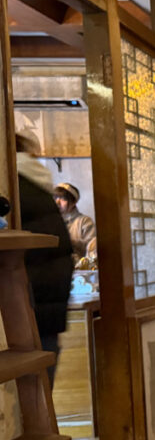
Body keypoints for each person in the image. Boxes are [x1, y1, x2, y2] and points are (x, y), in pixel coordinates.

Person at [15, 133, 73, 386]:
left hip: (23, 310)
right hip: (46, 309)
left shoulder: (13, 186)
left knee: (25, 403)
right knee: (39, 397)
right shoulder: (35, 185)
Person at [53, 182, 96, 264]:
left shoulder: (84, 221)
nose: (57, 202)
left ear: (73, 202)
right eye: (55, 198)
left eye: (63, 198)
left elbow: (92, 250)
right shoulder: (52, 221)